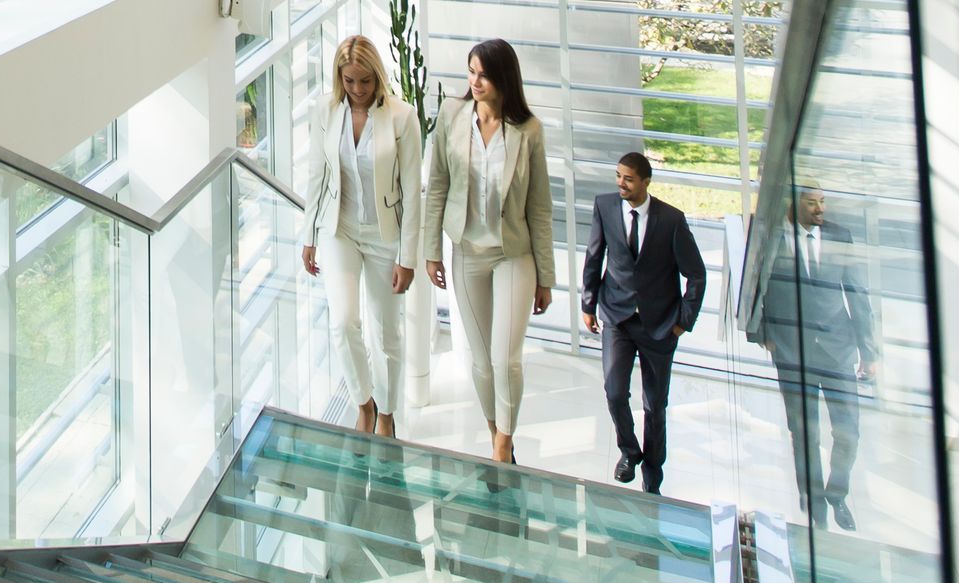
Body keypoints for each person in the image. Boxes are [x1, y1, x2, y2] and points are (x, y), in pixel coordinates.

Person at [422, 38, 554, 465]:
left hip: (513, 254)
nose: (475, 81)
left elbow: (539, 206)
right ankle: (498, 432)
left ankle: (501, 446)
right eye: (471, 72)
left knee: (505, 357)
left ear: (503, 79)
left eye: (484, 74)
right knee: (480, 361)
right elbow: (437, 185)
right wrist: (431, 250)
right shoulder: (451, 116)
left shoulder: (528, 131)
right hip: (466, 252)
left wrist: (546, 278)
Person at [301, 34, 421, 438]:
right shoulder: (326, 110)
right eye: (349, 81)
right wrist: (309, 235)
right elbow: (317, 173)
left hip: (386, 236)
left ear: (377, 77)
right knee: (343, 322)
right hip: (341, 230)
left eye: (364, 81)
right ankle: (364, 404)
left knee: (386, 331)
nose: (357, 90)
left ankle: (387, 413)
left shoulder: (402, 118)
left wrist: (408, 257)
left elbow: (413, 194)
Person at [581, 149, 705, 495]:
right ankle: (629, 451)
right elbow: (595, 255)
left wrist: (682, 321)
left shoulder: (671, 220)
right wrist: (588, 304)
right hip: (617, 317)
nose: (621, 183)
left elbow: (696, 275)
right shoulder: (605, 206)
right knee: (614, 391)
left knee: (655, 406)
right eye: (618, 176)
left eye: (628, 178)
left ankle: (654, 474)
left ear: (645, 182)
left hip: (660, 325)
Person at [760, 185, 873, 529]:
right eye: (812, 202)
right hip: (793, 352)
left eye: (822, 201)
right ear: (793, 203)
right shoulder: (770, 238)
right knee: (804, 434)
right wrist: (763, 335)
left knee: (849, 433)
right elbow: (754, 288)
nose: (820, 208)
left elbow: (857, 292)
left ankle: (836, 495)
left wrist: (869, 351)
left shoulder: (840, 236)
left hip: (837, 351)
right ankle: (813, 505)